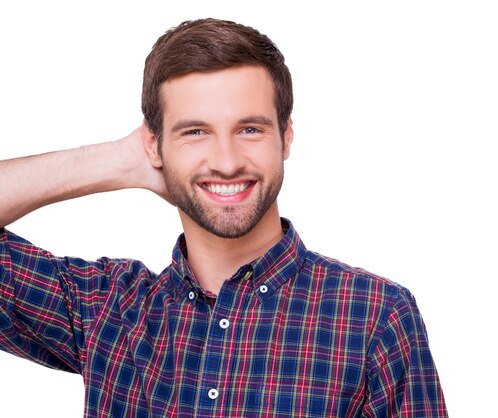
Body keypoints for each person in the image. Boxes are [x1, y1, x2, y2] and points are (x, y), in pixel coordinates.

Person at [0, 18, 447, 417]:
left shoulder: (374, 316)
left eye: (249, 129)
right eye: (195, 132)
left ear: (286, 137)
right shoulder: (107, 311)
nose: (228, 161)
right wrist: (118, 161)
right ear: (153, 145)